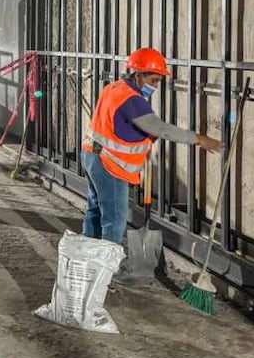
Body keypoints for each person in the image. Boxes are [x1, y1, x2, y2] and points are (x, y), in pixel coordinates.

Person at [81, 47, 221, 248]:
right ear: (138, 75)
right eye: (153, 80)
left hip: (91, 156)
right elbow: (161, 128)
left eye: (158, 82)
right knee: (114, 221)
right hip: (109, 166)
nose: (155, 86)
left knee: (94, 212)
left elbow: (119, 126)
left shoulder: (114, 88)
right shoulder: (132, 100)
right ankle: (105, 271)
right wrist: (199, 139)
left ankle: (86, 260)